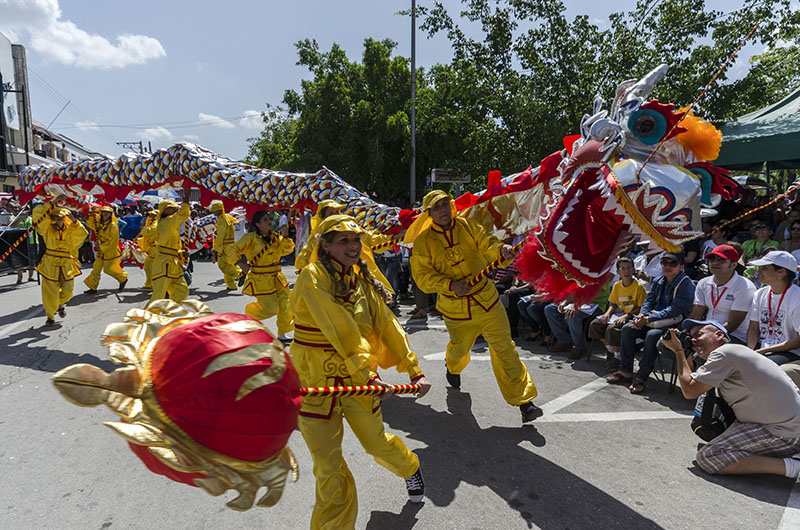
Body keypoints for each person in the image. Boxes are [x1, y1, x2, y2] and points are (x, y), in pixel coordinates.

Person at [289, 214, 431, 529]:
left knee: (376, 444)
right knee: (327, 468)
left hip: (358, 378)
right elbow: (337, 326)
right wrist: (368, 374)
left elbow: (388, 326)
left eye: (356, 240)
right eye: (344, 241)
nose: (354, 247)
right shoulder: (311, 277)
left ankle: (409, 468)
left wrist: (414, 370)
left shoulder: (362, 282)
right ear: (325, 246)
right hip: (314, 378)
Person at [407, 190, 541, 422]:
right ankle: (452, 367)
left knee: (505, 349)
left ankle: (525, 402)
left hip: (487, 301)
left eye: (444, 205)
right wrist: (449, 285)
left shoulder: (468, 226)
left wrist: (501, 250)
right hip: (456, 310)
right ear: (429, 213)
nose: (442, 210)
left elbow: (487, 243)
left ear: (451, 206)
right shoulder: (423, 242)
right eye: (436, 207)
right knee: (459, 351)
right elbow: (422, 277)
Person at [661, 319, 800, 478]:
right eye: (690, 338)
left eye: (698, 335)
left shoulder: (725, 353)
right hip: (786, 426)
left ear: (719, 334)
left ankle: (794, 467)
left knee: (709, 456)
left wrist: (678, 351)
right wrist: (685, 353)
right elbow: (691, 379)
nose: (693, 340)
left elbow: (690, 391)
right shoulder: (733, 353)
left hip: (784, 433)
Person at [607, 251, 695, 394]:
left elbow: (675, 309)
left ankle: (642, 377)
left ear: (681, 266)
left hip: (673, 325)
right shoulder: (658, 280)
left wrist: (648, 318)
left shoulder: (686, 284)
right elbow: (648, 301)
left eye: (672, 263)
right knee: (628, 328)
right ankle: (625, 371)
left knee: (652, 336)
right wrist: (642, 315)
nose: (667, 266)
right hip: (652, 319)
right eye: (664, 263)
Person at [295, 199, 394, 293]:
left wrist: (398, 235)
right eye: (343, 240)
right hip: (326, 284)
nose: (353, 245)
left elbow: (372, 239)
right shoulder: (316, 239)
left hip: (352, 280)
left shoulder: (350, 230)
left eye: (336, 212)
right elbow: (301, 263)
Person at [229, 211, 295, 341]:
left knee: (286, 303)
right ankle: (249, 316)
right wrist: (240, 263)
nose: (269, 221)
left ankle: (282, 332)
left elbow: (286, 250)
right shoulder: (250, 238)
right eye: (265, 219)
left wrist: (286, 235)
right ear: (258, 224)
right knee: (272, 307)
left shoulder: (276, 237)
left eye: (269, 218)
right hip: (260, 279)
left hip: (277, 277)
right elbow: (232, 249)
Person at [33, 199, 89, 327]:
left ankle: (59, 304)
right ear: (52, 218)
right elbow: (37, 215)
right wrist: (52, 202)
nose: (60, 220)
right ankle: (50, 316)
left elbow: (82, 234)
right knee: (50, 292)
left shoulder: (71, 228)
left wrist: (75, 221)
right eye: (57, 217)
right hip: (50, 263)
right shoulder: (47, 228)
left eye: (62, 217)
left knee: (68, 292)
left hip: (66, 263)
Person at [688, 245, 755, 345]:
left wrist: (706, 337)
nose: (715, 263)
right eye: (712, 259)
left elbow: (732, 325)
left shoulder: (744, 286)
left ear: (733, 265)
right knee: (668, 344)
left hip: (734, 336)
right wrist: (686, 333)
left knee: (698, 353)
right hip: (707, 332)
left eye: (721, 260)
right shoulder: (703, 283)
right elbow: (696, 314)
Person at [588, 257, 647, 372]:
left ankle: (617, 358)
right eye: (623, 269)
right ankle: (611, 351)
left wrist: (627, 315)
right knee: (595, 324)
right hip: (617, 315)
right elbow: (613, 303)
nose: (626, 271)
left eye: (629, 268)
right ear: (618, 272)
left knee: (612, 329)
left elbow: (641, 308)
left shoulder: (639, 287)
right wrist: (607, 314)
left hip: (631, 317)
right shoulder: (617, 285)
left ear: (633, 270)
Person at [745, 251, 800, 366]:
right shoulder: (759, 294)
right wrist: (750, 351)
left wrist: (762, 351)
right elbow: (753, 328)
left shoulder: (797, 297)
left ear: (781, 272)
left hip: (789, 351)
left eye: (764, 268)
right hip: (763, 348)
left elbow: (798, 341)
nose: (758, 271)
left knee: (760, 366)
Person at [544, 283, 610, 359]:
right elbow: (572, 292)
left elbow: (592, 295)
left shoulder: (602, 277)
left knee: (572, 316)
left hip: (594, 305)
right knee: (550, 309)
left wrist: (575, 306)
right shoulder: (581, 276)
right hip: (577, 303)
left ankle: (581, 347)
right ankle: (564, 340)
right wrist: (564, 303)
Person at [148, 197, 190, 305]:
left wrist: (180, 253)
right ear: (164, 210)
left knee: (182, 291)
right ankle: (145, 319)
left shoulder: (168, 221)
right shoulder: (168, 221)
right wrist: (186, 198)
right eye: (171, 208)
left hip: (173, 263)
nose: (174, 209)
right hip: (163, 264)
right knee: (158, 296)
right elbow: (183, 214)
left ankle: (173, 314)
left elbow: (168, 248)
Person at [83, 205, 128, 294]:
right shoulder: (99, 223)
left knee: (108, 269)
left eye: (107, 212)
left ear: (111, 214)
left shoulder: (113, 225)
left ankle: (123, 278)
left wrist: (102, 246)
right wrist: (92, 214)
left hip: (110, 251)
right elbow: (90, 224)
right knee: (96, 268)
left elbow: (113, 241)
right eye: (103, 212)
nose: (105, 214)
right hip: (101, 251)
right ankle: (93, 287)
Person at [209, 200, 243, 290]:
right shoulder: (228, 217)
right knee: (229, 265)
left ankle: (240, 274)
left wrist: (216, 248)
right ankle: (231, 285)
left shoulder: (221, 220)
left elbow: (221, 235)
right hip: (231, 245)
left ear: (219, 210)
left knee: (223, 265)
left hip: (224, 246)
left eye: (215, 210)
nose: (214, 213)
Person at [137, 210, 158, 289]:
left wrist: (144, 227)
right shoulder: (150, 222)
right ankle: (149, 284)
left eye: (153, 215)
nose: (151, 216)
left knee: (151, 267)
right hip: (152, 248)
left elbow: (149, 232)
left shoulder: (156, 223)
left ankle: (153, 284)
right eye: (150, 214)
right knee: (147, 267)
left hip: (156, 249)